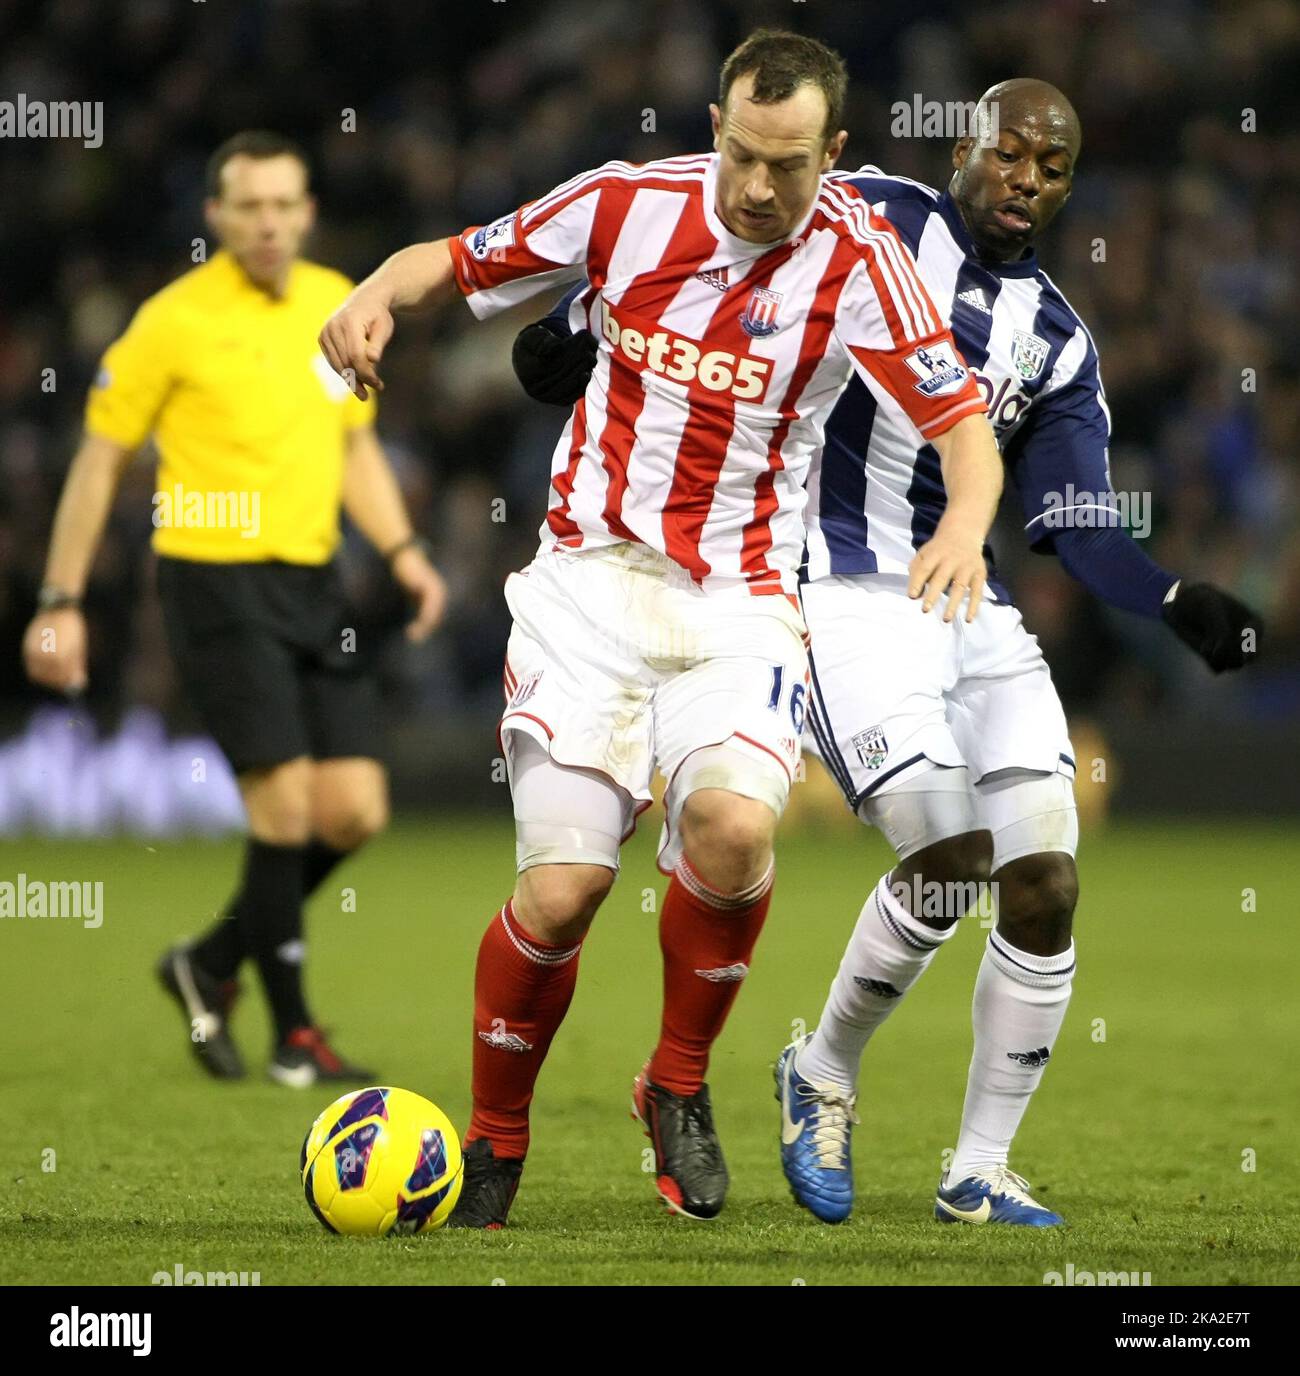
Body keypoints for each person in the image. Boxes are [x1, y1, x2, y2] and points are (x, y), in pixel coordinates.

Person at [512, 79, 1263, 1227]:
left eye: (1051, 169)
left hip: (965, 595)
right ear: (964, 146)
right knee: (953, 851)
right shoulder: (859, 213)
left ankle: (976, 1167)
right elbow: (700, 256)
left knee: (1046, 880)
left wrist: (1169, 597)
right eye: (1009, 154)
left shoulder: (1056, 340)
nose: (1026, 181)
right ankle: (821, 1070)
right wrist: (573, 331)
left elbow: (1070, 516)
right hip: (827, 588)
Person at [320, 28, 1004, 1226]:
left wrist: (962, 531)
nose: (756, 186)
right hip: (587, 584)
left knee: (734, 829)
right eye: (742, 153)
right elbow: (455, 259)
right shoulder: (625, 205)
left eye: (788, 167)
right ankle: (495, 1136)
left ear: (833, 154)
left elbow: (964, 432)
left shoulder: (859, 261)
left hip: (739, 597)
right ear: (714, 124)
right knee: (565, 893)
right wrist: (374, 291)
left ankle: (675, 1083)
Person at [22, 131, 447, 1088]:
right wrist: (61, 600)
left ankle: (209, 965)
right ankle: (296, 1038)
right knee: (285, 805)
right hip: (212, 579)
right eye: (249, 206)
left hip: (311, 583)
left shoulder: (334, 305)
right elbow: (98, 461)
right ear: (214, 216)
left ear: (307, 211)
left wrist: (405, 553)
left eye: (286, 204)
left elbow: (352, 450)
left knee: (353, 809)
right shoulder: (171, 322)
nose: (269, 223)